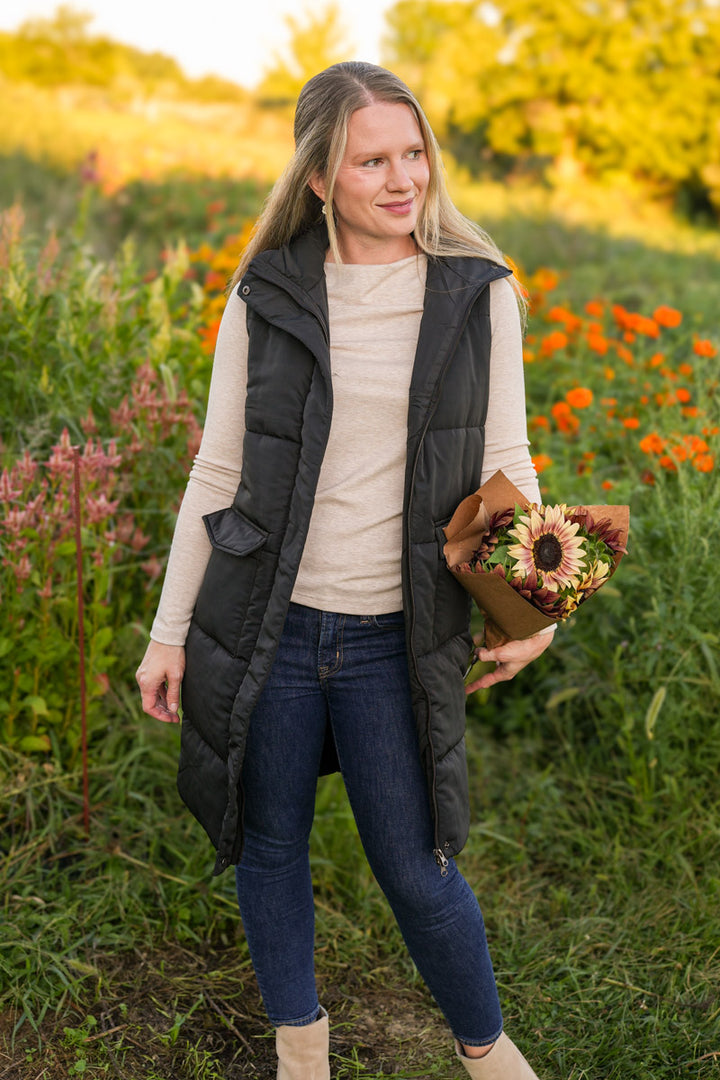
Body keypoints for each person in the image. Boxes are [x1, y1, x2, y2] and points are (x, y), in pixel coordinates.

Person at [136, 61, 555, 1080]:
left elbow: (510, 460)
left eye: (414, 154)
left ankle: (487, 1053)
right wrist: (169, 630)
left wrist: (531, 609)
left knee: (417, 868)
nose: (402, 177)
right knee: (270, 844)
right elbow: (218, 471)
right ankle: (302, 1049)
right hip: (270, 624)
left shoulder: (476, 292)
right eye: (373, 159)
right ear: (321, 175)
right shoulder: (269, 291)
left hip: (392, 635)